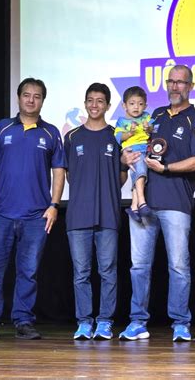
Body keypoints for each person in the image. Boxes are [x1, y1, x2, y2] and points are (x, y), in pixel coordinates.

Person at [0, 78, 66, 340]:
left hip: (36, 217)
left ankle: (23, 320)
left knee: (28, 271)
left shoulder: (51, 133)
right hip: (1, 214)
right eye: (26, 95)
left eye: (37, 96)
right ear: (18, 98)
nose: (31, 100)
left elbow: (59, 171)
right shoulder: (1, 128)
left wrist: (54, 205)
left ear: (43, 100)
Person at [119, 65, 195, 342]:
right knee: (139, 266)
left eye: (181, 82)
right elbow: (133, 144)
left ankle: (181, 323)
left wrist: (166, 169)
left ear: (190, 86)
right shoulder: (154, 115)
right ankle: (137, 322)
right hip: (143, 204)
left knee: (179, 266)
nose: (174, 87)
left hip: (176, 204)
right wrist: (124, 159)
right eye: (171, 81)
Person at [64, 83, 127, 340]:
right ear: (85, 102)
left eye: (100, 101)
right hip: (78, 215)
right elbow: (68, 175)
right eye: (90, 100)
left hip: (108, 215)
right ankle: (84, 321)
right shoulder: (72, 137)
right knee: (81, 273)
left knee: (107, 271)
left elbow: (122, 175)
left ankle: (104, 321)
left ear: (108, 106)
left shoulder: (117, 136)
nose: (94, 105)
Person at [114, 86, 153, 222]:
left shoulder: (147, 117)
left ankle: (134, 206)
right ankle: (142, 202)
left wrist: (149, 128)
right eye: (132, 103)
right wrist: (129, 133)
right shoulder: (121, 121)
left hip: (146, 149)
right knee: (141, 171)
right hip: (133, 150)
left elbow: (153, 129)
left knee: (139, 175)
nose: (136, 107)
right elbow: (118, 137)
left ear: (145, 105)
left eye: (140, 104)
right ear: (124, 105)